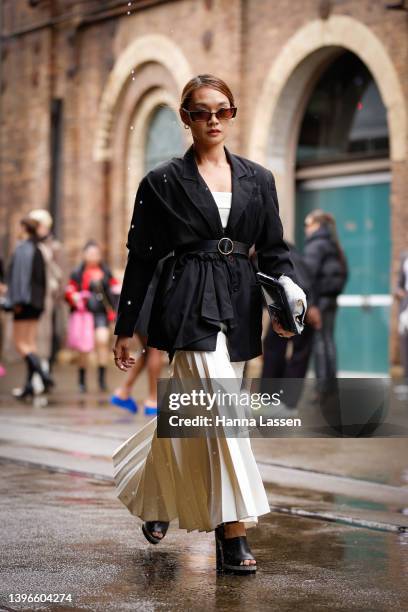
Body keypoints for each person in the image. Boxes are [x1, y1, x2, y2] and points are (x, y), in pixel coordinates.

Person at [112, 74, 305, 575]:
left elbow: (276, 251)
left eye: (222, 111)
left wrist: (288, 300)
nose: (213, 120)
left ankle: (156, 498)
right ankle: (233, 533)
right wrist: (125, 327)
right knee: (220, 413)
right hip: (187, 299)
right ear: (187, 118)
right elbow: (140, 258)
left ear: (233, 115)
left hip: (239, 303)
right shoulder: (161, 182)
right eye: (202, 112)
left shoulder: (259, 179)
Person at [260, 241, 321, 411]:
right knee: (274, 348)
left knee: (297, 355)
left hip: (299, 307)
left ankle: (287, 404)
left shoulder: (278, 253)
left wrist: (310, 306)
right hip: (284, 309)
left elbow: (301, 281)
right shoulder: (276, 251)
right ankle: (271, 400)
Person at [5, 217, 54, 399]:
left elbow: (20, 279)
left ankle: (44, 375)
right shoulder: (39, 248)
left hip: (23, 302)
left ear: (25, 228)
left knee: (20, 344)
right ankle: (29, 386)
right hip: (36, 303)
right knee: (30, 345)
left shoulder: (23, 248)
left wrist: (16, 301)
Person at [303, 209, 348, 397]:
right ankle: (331, 385)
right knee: (328, 341)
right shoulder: (333, 245)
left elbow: (307, 276)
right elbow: (344, 273)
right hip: (330, 299)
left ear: (317, 225)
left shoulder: (316, 245)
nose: (305, 228)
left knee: (320, 342)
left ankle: (322, 388)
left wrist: (310, 303)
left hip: (319, 301)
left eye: (307, 224)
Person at [65, 240, 120, 393]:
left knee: (102, 341)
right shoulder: (77, 273)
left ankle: (101, 379)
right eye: (90, 253)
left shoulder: (106, 272)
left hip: (101, 314)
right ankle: (82, 380)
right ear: (84, 255)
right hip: (83, 316)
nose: (93, 256)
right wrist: (74, 296)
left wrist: (115, 309)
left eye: (96, 253)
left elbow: (115, 291)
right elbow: (69, 290)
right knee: (84, 350)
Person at [28, 209, 65, 380]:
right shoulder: (27, 246)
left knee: (44, 337)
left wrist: (57, 296)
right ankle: (33, 378)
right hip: (30, 297)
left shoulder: (54, 247)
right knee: (29, 338)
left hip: (46, 298)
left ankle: (42, 375)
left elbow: (61, 275)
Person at [395, 250, 408, 380]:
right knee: (405, 342)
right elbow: (399, 283)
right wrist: (398, 291)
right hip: (406, 306)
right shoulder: (405, 257)